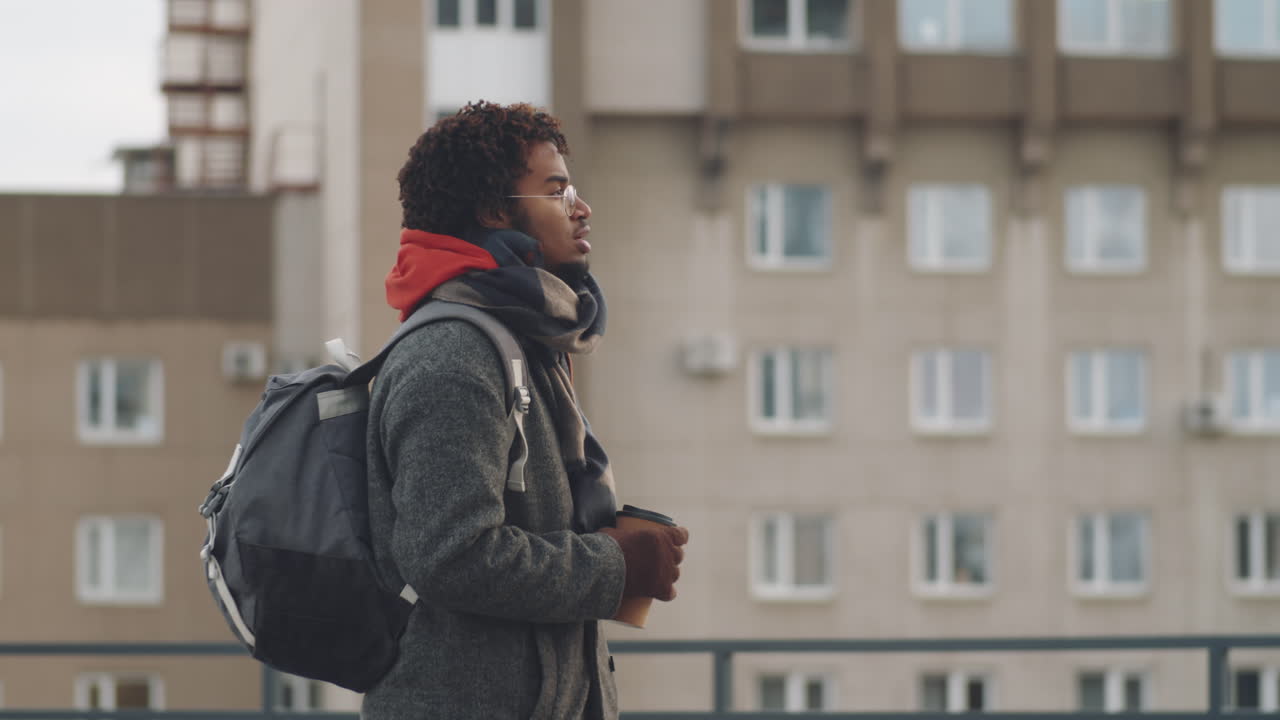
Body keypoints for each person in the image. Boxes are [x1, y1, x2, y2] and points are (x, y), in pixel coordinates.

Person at [363, 101, 690, 720]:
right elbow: (450, 555)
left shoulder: (525, 341)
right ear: (494, 211)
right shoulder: (450, 355)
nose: (582, 207)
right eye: (558, 190)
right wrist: (614, 564)